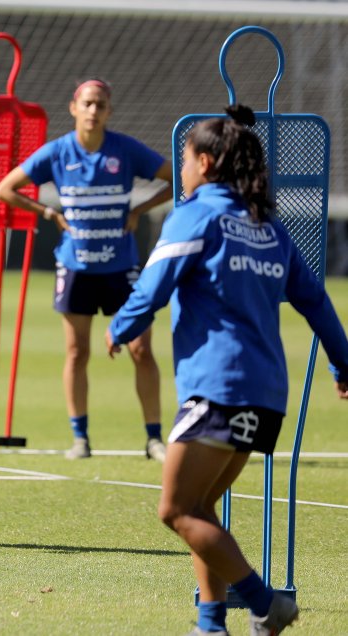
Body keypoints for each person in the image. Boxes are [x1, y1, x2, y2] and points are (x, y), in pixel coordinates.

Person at [106, 105, 348, 635]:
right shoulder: (269, 227)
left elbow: (152, 287)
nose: (182, 169)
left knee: (174, 511)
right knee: (202, 510)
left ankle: (265, 603)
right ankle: (210, 624)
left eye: (186, 160)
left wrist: (119, 328)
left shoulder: (195, 215)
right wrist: (343, 362)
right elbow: (316, 302)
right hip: (265, 395)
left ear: (206, 162)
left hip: (219, 389)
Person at [0, 78, 174, 461]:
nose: (94, 111)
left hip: (121, 266)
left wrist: (139, 211)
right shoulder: (58, 152)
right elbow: (5, 188)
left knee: (141, 349)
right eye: (88, 103)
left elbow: (176, 177)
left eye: (101, 105)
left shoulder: (125, 150)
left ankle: (154, 438)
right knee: (77, 352)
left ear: (109, 112)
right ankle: (80, 438)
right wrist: (46, 212)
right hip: (76, 267)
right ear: (74, 107)